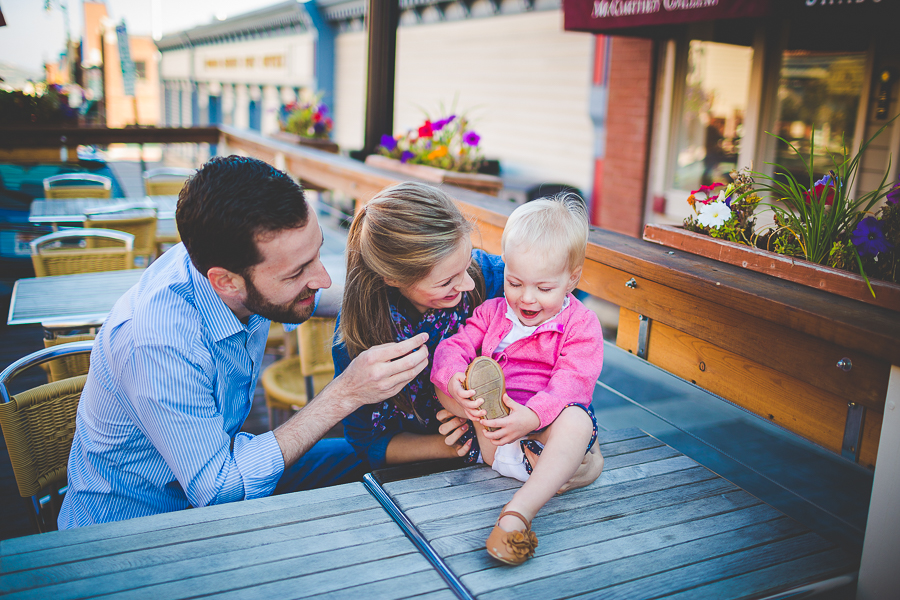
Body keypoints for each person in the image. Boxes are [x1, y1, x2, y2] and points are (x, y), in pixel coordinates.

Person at [58, 156, 430, 528]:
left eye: (316, 253)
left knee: (382, 457)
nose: (323, 278)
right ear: (226, 282)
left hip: (223, 473)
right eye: (298, 271)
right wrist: (345, 393)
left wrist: (407, 287)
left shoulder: (225, 257)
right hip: (137, 530)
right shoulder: (156, 343)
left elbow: (318, 296)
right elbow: (219, 489)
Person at [333, 182, 603, 484]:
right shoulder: (359, 336)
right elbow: (369, 444)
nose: (468, 285)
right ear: (393, 278)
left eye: (466, 264)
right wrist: (457, 445)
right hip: (423, 478)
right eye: (447, 281)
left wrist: (590, 455)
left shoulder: (500, 278)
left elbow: (571, 362)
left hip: (517, 453)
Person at [430, 194, 603, 565]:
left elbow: (574, 382)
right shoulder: (491, 312)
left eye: (544, 288)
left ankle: (516, 515)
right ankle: (484, 405)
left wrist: (533, 416)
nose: (526, 298)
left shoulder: (581, 324)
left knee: (577, 418)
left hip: (543, 440)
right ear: (504, 268)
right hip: (491, 435)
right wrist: (454, 380)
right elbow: (452, 347)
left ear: (572, 279)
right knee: (469, 371)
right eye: (514, 282)